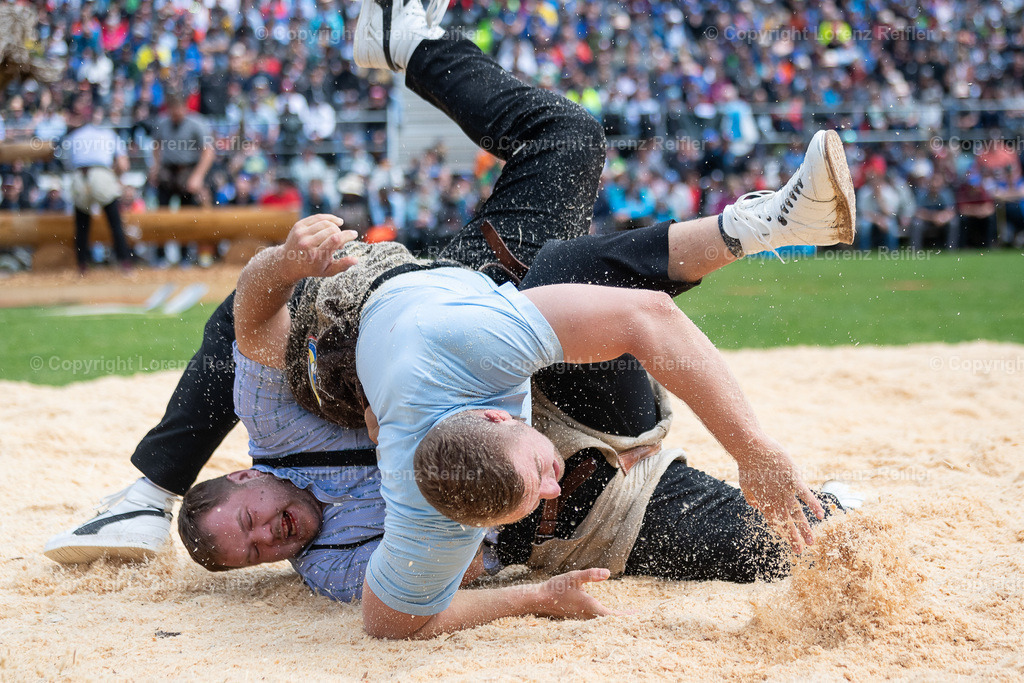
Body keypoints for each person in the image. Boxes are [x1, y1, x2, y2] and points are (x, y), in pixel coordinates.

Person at [216, 2, 855, 639]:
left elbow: (251, 320)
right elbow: (394, 618)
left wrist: (286, 260)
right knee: (793, 539)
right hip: (583, 504)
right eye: (252, 558)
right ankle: (407, 42)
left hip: (453, 301)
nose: (267, 540)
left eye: (248, 526)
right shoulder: (412, 525)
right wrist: (536, 595)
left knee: (562, 231)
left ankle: (755, 226)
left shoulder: (463, 353)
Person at [62, 106, 133, 272]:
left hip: (80, 176)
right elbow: (124, 165)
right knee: (115, 222)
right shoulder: (108, 134)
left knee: (81, 224)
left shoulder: (74, 136)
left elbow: (67, 164)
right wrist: (114, 177)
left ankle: (82, 265)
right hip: (101, 174)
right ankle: (125, 262)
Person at [148, 91, 215, 207]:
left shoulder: (196, 124)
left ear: (185, 107)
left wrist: (198, 176)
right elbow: (156, 145)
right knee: (162, 210)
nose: (176, 113)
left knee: (189, 212)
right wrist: (155, 167)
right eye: (173, 110)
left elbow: (208, 152)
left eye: (178, 109)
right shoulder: (163, 123)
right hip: (168, 172)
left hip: (188, 171)